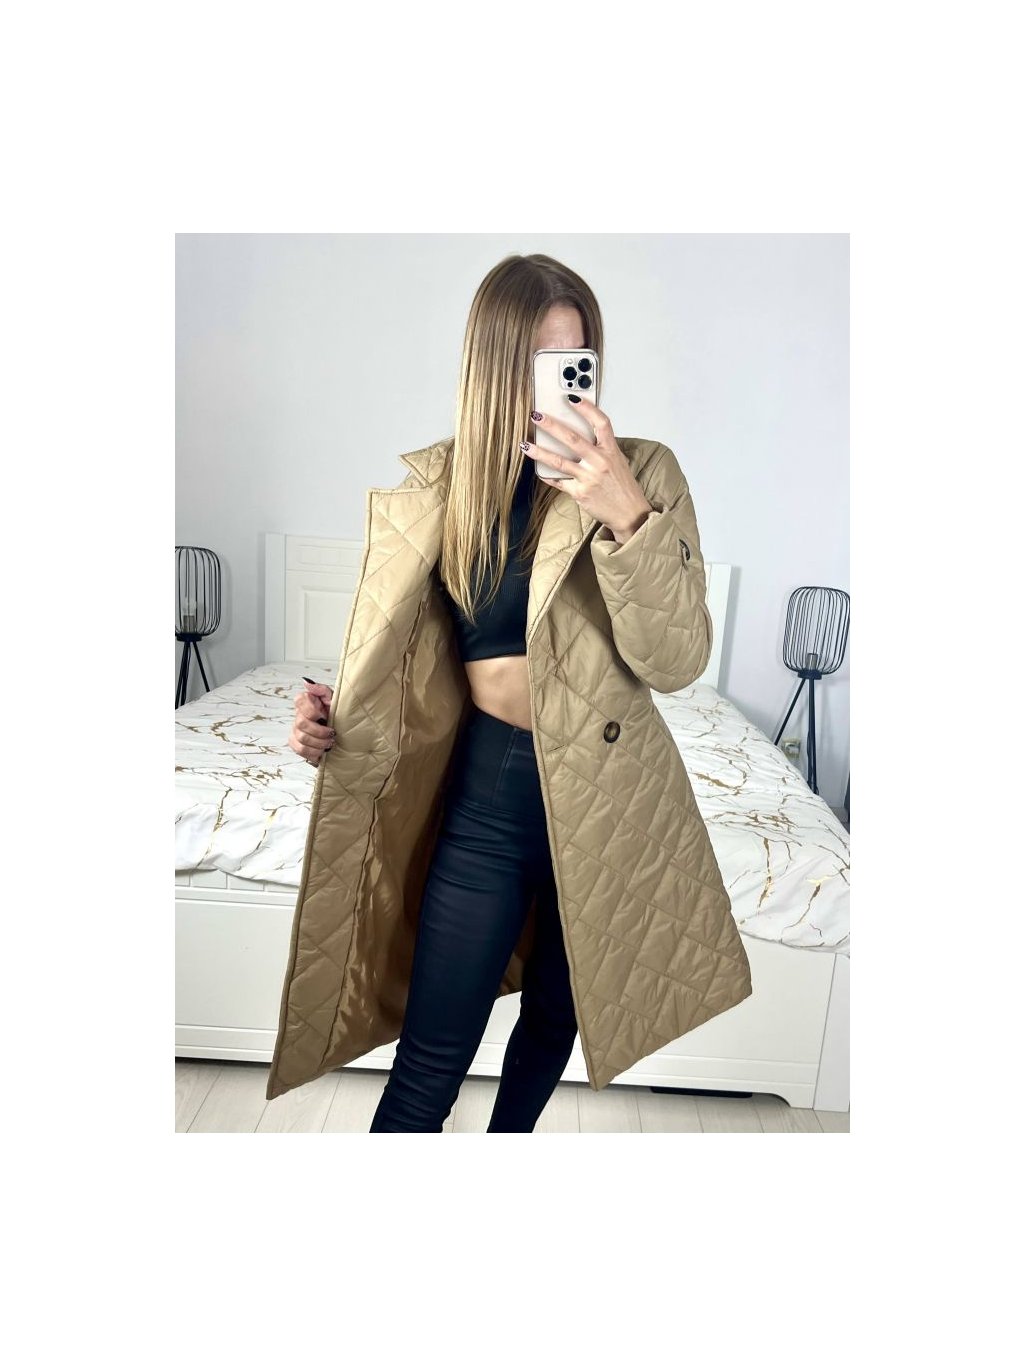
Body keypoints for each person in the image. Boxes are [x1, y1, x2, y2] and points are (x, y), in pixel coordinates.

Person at [286, 255, 681, 1131]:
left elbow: (676, 658)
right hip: (491, 794)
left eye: (578, 360)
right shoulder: (442, 487)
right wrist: (331, 716)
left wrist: (627, 514)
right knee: (428, 1064)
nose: (564, 384)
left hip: (608, 796)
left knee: (555, 1019)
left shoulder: (644, 474)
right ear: (496, 366)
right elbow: (400, 656)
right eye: (543, 363)